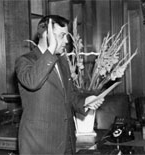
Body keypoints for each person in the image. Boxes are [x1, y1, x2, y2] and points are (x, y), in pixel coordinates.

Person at [15, 15, 104, 155]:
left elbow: (70, 95)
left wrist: (86, 101)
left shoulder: (62, 62)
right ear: (47, 35)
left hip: (66, 142)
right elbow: (33, 82)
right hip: (39, 146)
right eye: (62, 35)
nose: (66, 41)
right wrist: (51, 48)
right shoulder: (25, 61)